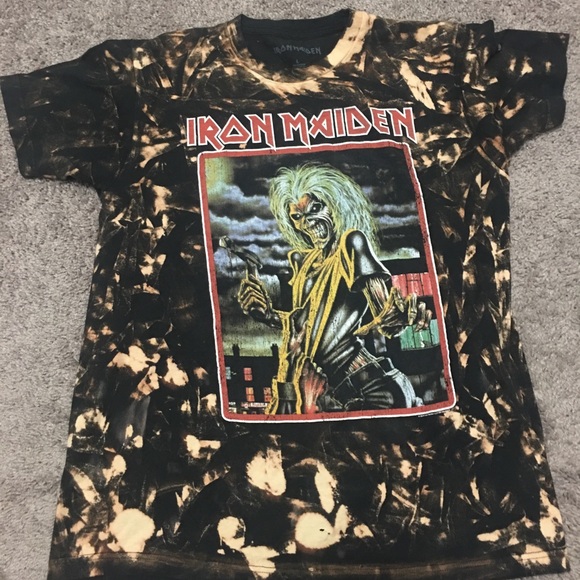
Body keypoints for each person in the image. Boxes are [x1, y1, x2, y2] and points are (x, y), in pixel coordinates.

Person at [237, 162, 430, 414]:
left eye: (315, 208)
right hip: (328, 390)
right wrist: (267, 314)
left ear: (335, 205)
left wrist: (401, 316)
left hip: (372, 388)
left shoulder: (351, 243)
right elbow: (303, 327)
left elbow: (386, 316)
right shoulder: (303, 262)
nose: (307, 222)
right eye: (297, 217)